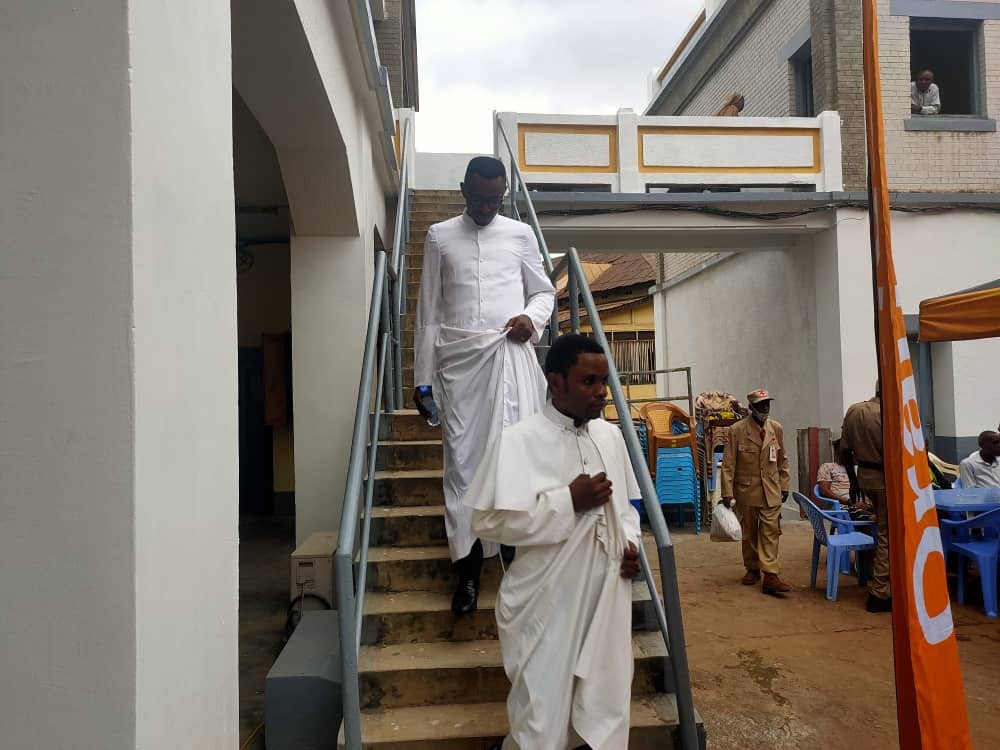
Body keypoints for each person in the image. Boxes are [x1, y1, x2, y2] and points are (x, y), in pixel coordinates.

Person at [465, 334, 642, 750]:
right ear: (556, 382)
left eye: (604, 381)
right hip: (546, 603)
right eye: (588, 382)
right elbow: (486, 521)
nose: (601, 392)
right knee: (541, 718)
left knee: (605, 705)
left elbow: (627, 509)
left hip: (606, 597)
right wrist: (567, 501)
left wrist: (630, 546)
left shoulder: (611, 437)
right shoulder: (518, 440)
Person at [413, 155, 556, 616]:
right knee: (463, 469)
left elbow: (544, 292)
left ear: (504, 196)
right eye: (478, 199)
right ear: (463, 191)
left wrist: (530, 319)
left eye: (494, 200)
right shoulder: (439, 236)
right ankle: (469, 572)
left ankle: (516, 564)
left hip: (510, 361)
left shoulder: (520, 234)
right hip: (459, 369)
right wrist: (421, 380)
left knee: (514, 464)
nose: (485, 208)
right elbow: (428, 313)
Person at [720, 389, 791, 595]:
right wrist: (727, 492)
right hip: (746, 490)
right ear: (751, 408)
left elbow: (783, 460)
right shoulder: (737, 430)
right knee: (749, 533)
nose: (765, 408)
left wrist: (784, 485)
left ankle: (770, 574)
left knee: (771, 532)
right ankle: (752, 568)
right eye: (760, 405)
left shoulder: (776, 428)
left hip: (771, 490)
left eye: (767, 403)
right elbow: (728, 464)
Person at [840, 384, 891, 613]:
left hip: (865, 477)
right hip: (886, 478)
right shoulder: (891, 413)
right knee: (887, 534)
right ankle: (880, 592)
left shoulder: (855, 410)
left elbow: (844, 451)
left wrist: (853, 481)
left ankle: (882, 583)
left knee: (882, 530)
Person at [817, 438, 875, 522]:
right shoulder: (828, 467)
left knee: (886, 512)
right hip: (842, 505)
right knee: (872, 518)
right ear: (837, 452)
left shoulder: (858, 468)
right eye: (844, 451)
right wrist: (849, 502)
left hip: (864, 504)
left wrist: (868, 504)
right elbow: (824, 491)